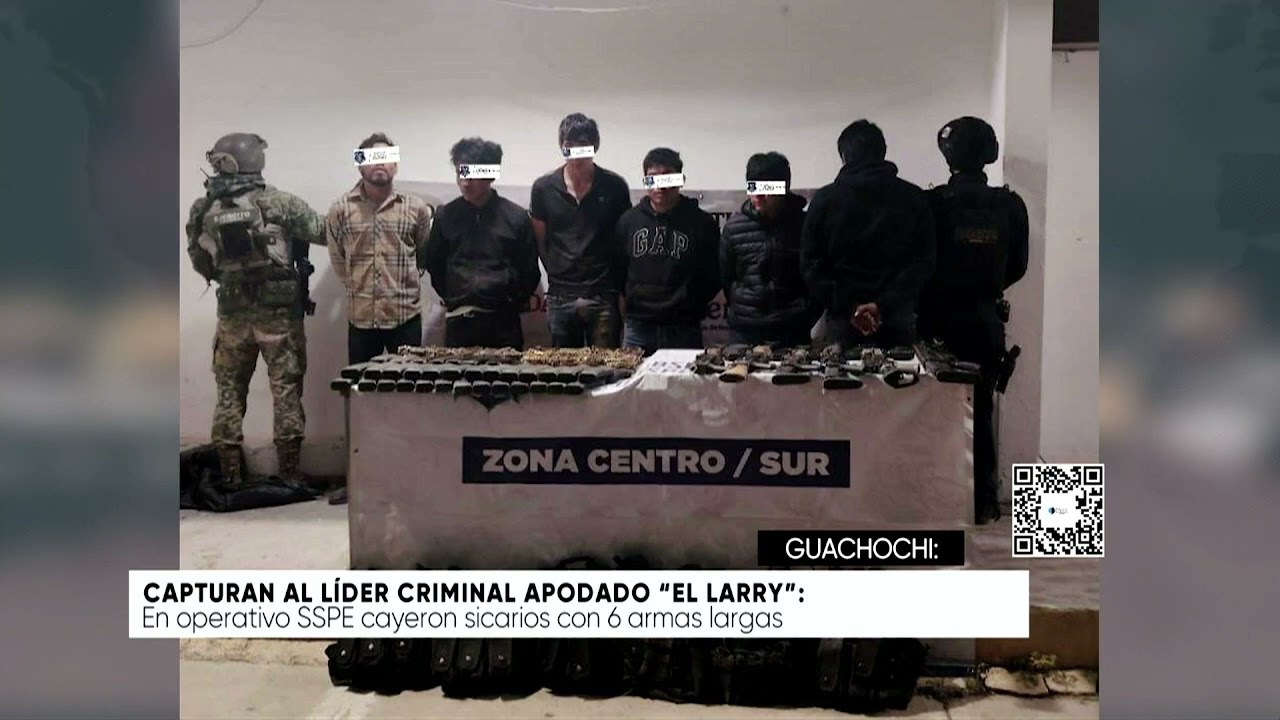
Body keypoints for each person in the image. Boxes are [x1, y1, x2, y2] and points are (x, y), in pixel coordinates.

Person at [185, 133, 323, 488]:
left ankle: (230, 474)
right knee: (286, 390)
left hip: (232, 316)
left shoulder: (202, 209)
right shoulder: (279, 202)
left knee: (229, 392)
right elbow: (323, 232)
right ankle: (289, 473)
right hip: (278, 317)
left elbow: (200, 261)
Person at [918, 116, 1029, 524]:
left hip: (937, 322)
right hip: (984, 320)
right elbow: (1017, 266)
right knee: (980, 411)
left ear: (948, 156)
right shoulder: (1010, 205)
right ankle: (981, 504)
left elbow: (922, 262)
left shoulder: (932, 204)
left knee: (930, 411)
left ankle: (936, 501)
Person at [801, 120, 936, 349]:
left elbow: (811, 266)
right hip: (896, 320)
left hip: (843, 322)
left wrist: (850, 307)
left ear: (844, 156)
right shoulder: (913, 198)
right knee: (903, 374)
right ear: (882, 153)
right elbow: (923, 262)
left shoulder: (825, 200)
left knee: (837, 372)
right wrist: (883, 306)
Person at [326, 132, 434, 365]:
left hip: (405, 317)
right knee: (360, 384)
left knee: (409, 382)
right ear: (360, 165)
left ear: (395, 165)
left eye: (386, 157)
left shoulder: (416, 208)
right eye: (372, 158)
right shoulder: (340, 210)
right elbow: (338, 259)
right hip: (361, 319)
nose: (380, 163)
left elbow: (423, 255)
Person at [424, 137, 540, 349]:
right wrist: (454, 295)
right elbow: (435, 265)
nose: (465, 182)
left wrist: (510, 298)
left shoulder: (515, 217)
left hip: (504, 323)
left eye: (472, 175)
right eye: (460, 173)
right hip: (460, 321)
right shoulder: (445, 216)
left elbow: (529, 270)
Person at [530, 113, 632, 348]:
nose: (576, 152)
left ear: (594, 146)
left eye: (583, 145)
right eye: (569, 145)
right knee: (563, 367)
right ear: (561, 146)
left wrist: (619, 289)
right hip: (560, 295)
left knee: (607, 367)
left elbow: (623, 241)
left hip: (603, 294)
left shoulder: (615, 186)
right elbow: (540, 241)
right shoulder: (543, 188)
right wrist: (557, 272)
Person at [614, 147, 721, 355]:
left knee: (686, 378)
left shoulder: (702, 223)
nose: (660, 186)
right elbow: (617, 271)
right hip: (638, 328)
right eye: (653, 178)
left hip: (683, 328)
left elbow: (714, 274)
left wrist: (689, 302)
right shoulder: (628, 222)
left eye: (667, 177)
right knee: (633, 377)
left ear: (680, 180)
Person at [720, 152, 818, 347]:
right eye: (753, 187)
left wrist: (805, 313)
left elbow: (815, 276)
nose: (758, 196)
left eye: (767, 189)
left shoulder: (805, 226)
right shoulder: (733, 227)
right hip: (745, 330)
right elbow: (726, 278)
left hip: (793, 330)